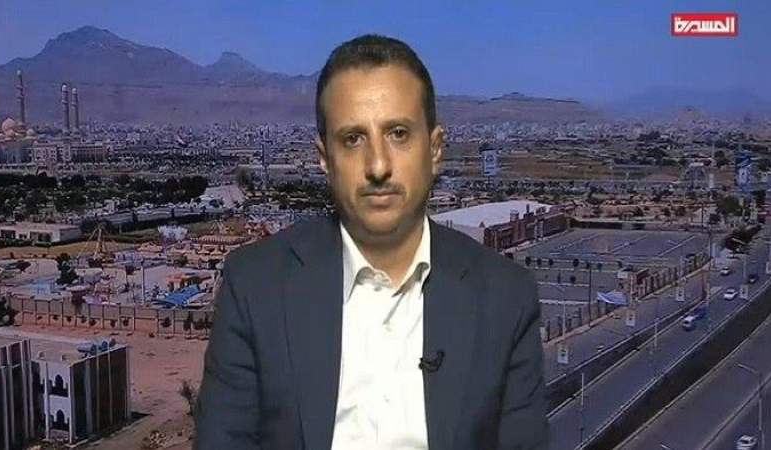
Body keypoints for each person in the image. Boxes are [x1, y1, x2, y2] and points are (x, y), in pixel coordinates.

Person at [195, 34, 548, 450]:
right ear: (324, 158)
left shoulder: (505, 297)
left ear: (435, 149)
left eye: (398, 133)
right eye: (353, 139)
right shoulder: (256, 286)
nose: (378, 166)